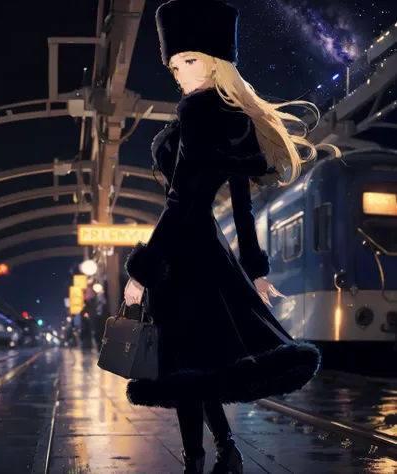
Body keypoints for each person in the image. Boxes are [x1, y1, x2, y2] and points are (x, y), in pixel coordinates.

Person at [122, 1, 342, 473]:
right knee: (195, 362)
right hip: (210, 249)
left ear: (216, 61)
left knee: (184, 363)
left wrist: (143, 271)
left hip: (184, 250)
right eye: (175, 64)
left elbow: (182, 201)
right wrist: (253, 273)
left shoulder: (200, 114)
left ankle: (201, 459)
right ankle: (222, 452)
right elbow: (240, 207)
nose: (178, 72)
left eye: (189, 61)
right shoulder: (230, 115)